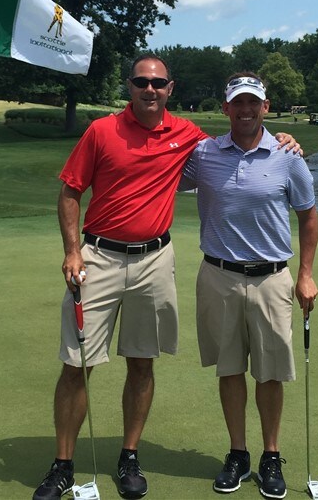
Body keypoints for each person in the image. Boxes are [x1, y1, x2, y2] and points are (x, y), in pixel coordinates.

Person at [33, 56, 301, 500]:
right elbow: (70, 191)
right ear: (130, 87)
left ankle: (129, 456)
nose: (149, 89)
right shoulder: (101, 131)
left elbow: (244, 136)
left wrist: (285, 139)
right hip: (97, 256)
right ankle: (63, 465)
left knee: (142, 363)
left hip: (155, 259)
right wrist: (70, 250)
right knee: (77, 364)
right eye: (141, 81)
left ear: (170, 88)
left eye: (157, 83)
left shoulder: (187, 136)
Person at [180, 72, 318, 500]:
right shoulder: (203, 153)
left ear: (266, 106)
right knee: (229, 368)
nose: (245, 110)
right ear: (225, 108)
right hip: (218, 275)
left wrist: (306, 274)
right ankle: (238, 452)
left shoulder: (288, 155)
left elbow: (308, 216)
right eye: (237, 103)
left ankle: (270, 454)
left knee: (271, 373)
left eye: (252, 103)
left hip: (272, 278)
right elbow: (158, 169)